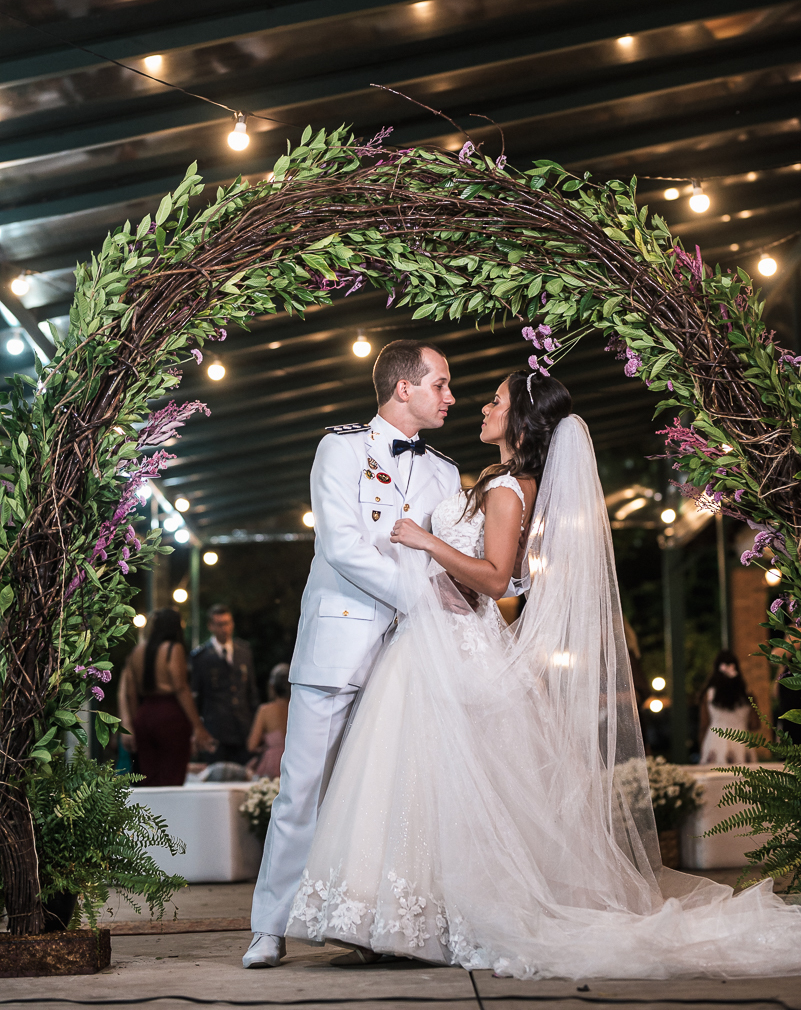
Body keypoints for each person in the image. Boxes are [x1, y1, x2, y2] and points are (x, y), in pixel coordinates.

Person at [286, 372, 801, 979]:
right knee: (425, 780)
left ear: (521, 421)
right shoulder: (498, 480)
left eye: (495, 400)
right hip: (433, 636)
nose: (481, 405)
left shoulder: (507, 487)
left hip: (451, 641)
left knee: (426, 775)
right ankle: (402, 918)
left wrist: (427, 542)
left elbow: (497, 579)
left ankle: (413, 919)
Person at [243, 340, 463, 968]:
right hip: (340, 641)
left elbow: (446, 556)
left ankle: (368, 926)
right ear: (404, 388)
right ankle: (269, 925)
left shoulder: (447, 473)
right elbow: (341, 545)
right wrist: (417, 599)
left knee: (389, 795)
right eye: (441, 384)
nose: (450, 396)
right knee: (303, 789)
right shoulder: (339, 448)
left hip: (412, 658)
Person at [125, 608, 215, 786]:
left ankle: (150, 813)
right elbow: (181, 688)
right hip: (170, 715)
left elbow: (130, 692)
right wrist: (198, 726)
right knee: (172, 775)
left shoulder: (137, 651)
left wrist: (136, 723)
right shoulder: (174, 649)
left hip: (144, 715)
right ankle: (169, 814)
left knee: (148, 776)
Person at [190, 604, 259, 765]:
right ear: (211, 626)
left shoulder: (244, 651)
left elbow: (251, 692)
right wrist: (198, 730)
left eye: (227, 623)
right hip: (216, 731)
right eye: (220, 624)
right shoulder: (201, 657)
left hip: (243, 729)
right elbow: (196, 697)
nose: (225, 629)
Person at [698, 650, 759, 764]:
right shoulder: (747, 695)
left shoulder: (709, 695)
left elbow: (704, 724)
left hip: (715, 742)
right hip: (741, 743)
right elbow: (755, 724)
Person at [248, 663, 291, 778]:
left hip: (272, 766)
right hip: (294, 762)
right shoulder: (298, 711)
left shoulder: (265, 711)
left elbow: (252, 745)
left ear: (272, 687)